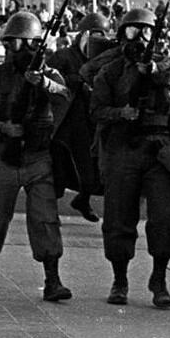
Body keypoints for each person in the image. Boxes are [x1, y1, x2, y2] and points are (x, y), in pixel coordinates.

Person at [0, 12, 74, 302]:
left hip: (38, 158)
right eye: (9, 44)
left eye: (18, 44)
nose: (13, 50)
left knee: (45, 219)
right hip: (3, 156)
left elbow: (65, 96)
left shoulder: (49, 75)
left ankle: (53, 279)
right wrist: (1, 128)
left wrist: (43, 84)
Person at [90, 8, 170, 308]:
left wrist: (151, 71)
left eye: (145, 32)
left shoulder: (163, 64)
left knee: (166, 218)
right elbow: (96, 110)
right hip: (123, 148)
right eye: (132, 31)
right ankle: (120, 279)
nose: (140, 38)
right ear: (121, 35)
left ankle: (159, 278)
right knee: (118, 218)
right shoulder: (111, 71)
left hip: (157, 150)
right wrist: (122, 113)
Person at [48, 12, 110, 222]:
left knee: (91, 169)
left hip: (89, 122)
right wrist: (75, 81)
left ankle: (83, 199)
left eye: (100, 36)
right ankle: (49, 212)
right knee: (58, 168)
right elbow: (50, 79)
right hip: (64, 121)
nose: (95, 41)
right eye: (92, 35)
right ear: (82, 35)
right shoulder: (64, 56)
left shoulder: (104, 60)